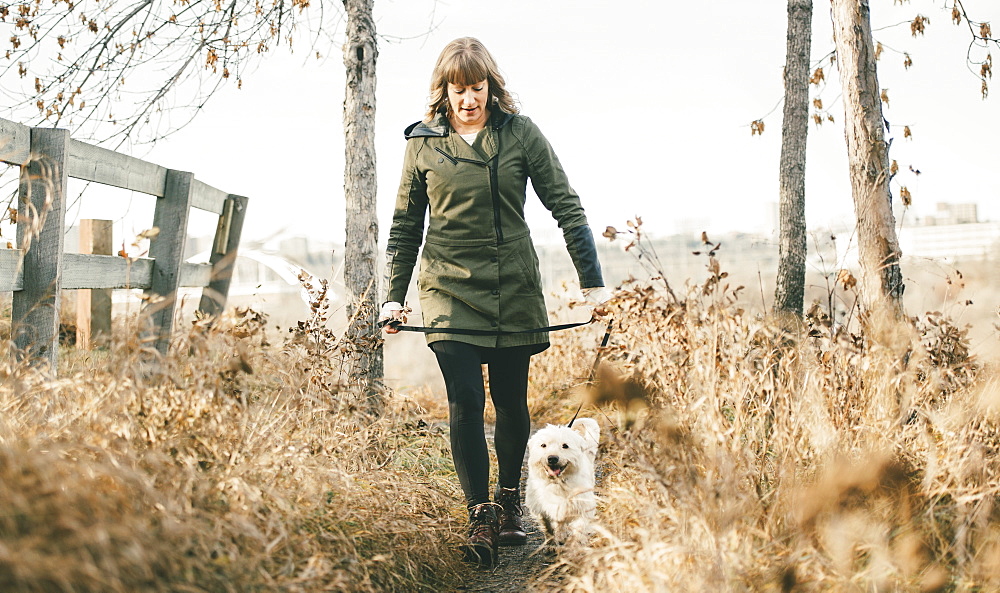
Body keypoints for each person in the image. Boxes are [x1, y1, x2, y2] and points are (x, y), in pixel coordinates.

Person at [379, 37, 609, 566]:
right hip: (447, 285)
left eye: (477, 89)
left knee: (509, 398)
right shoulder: (422, 143)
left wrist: (593, 286)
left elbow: (567, 207)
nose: (469, 101)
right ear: (444, 91)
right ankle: (479, 514)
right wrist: (394, 298)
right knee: (464, 397)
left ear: (491, 87)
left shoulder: (520, 134)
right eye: (459, 91)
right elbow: (405, 226)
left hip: (512, 285)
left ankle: (510, 505)